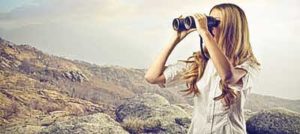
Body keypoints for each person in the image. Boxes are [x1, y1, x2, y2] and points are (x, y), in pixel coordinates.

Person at [144, 3, 261, 134]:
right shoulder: (200, 62)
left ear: (231, 28)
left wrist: (205, 33)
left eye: (214, 23)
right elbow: (152, 77)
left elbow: (228, 77)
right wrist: (175, 38)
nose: (209, 27)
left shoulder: (248, 65)